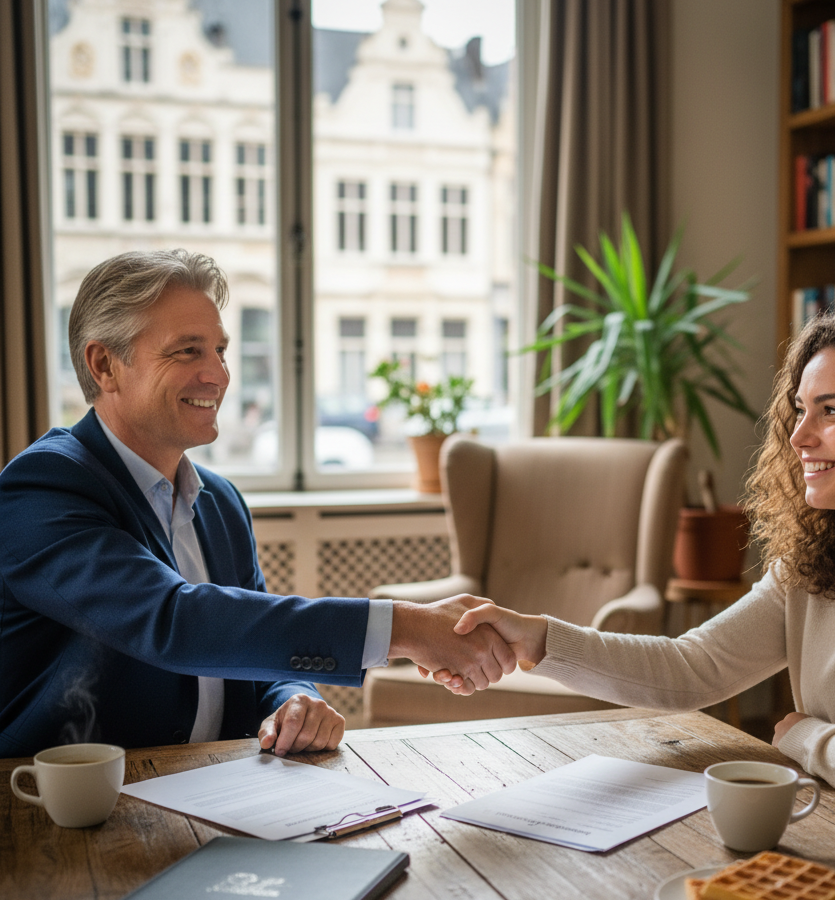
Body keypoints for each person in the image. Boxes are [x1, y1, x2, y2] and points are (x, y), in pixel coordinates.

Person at [439, 306, 835, 851]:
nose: (799, 437)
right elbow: (692, 667)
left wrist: (799, 736)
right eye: (801, 409)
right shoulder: (816, 560)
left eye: (833, 410)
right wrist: (536, 637)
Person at [0, 250, 508, 759]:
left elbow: (252, 648)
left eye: (220, 350)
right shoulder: (44, 487)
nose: (218, 375)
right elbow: (175, 621)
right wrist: (409, 627)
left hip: (214, 785)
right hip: (56, 807)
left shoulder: (220, 501)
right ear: (104, 365)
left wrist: (293, 698)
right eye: (188, 351)